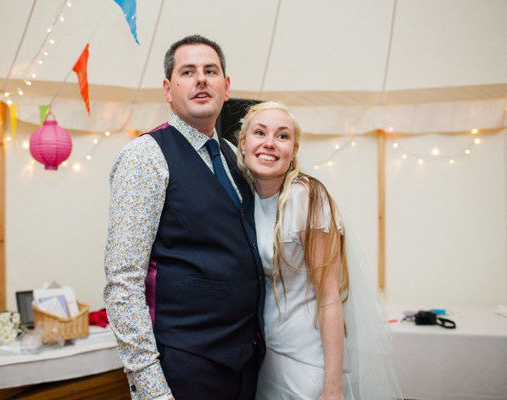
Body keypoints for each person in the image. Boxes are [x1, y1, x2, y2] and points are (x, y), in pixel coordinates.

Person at [104, 35, 265, 400]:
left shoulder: (231, 154)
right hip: (183, 365)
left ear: (227, 87)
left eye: (211, 71)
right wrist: (151, 388)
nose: (201, 79)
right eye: (188, 72)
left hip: (244, 362)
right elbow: (123, 282)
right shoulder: (144, 157)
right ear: (168, 88)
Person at [236, 101, 403, 400]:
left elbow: (329, 297)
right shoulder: (244, 199)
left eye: (283, 136)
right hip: (265, 358)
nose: (270, 143)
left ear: (295, 150)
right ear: (243, 143)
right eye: (260, 132)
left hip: (308, 361)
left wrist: (333, 386)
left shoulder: (308, 198)